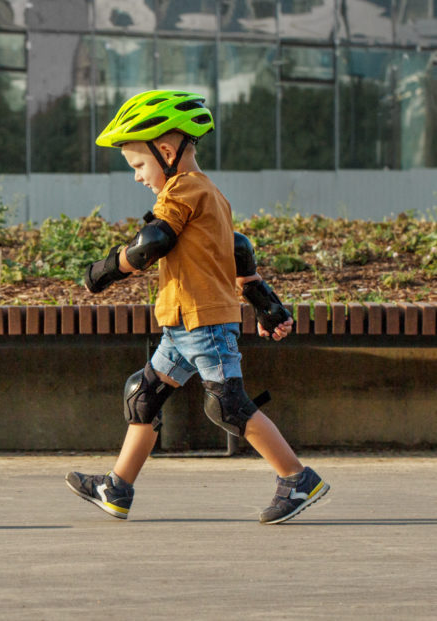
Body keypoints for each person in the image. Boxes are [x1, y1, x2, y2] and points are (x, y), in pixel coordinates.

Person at [65, 90, 329, 525]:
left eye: (138, 165)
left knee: (227, 405)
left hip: (203, 325)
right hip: (183, 327)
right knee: (144, 395)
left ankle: (298, 478)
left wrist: (107, 269)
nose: (136, 176)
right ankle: (117, 488)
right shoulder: (211, 194)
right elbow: (238, 251)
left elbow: (153, 242)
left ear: (165, 151)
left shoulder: (181, 189)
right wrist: (268, 308)